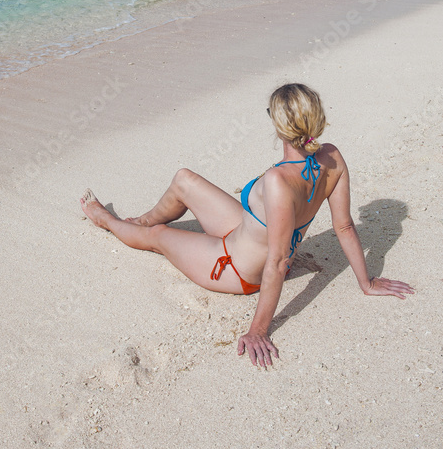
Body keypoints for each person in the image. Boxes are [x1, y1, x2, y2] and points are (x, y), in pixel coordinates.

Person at [80, 82, 414, 368]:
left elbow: (278, 261)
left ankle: (105, 220)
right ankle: (141, 219)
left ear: (279, 125)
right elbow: (344, 227)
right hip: (244, 231)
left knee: (158, 236)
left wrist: (258, 330)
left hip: (238, 269)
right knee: (184, 179)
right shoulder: (333, 157)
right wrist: (366, 282)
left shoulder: (279, 180)